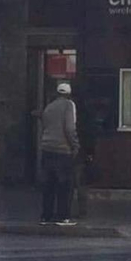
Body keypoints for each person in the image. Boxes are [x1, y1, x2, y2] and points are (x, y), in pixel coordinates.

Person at [38, 82, 80, 226]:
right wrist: (75, 145)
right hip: (63, 150)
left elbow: (44, 125)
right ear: (68, 94)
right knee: (65, 185)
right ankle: (63, 217)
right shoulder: (69, 105)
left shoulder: (49, 107)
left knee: (48, 184)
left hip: (47, 148)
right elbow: (69, 128)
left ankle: (46, 216)